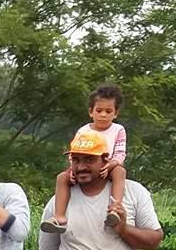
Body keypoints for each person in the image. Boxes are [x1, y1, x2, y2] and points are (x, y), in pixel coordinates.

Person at [42, 83, 129, 235]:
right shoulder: (83, 130)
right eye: (99, 110)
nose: (103, 115)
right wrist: (72, 170)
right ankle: (59, 217)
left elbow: (121, 153)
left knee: (120, 172)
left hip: (108, 164)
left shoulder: (118, 130)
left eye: (108, 111)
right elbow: (74, 153)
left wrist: (111, 165)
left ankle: (114, 208)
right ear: (91, 111)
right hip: (84, 165)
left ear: (115, 113)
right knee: (62, 178)